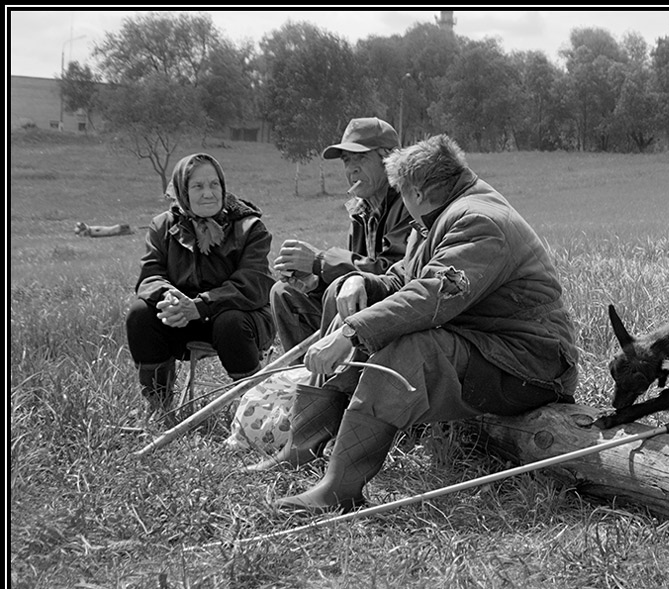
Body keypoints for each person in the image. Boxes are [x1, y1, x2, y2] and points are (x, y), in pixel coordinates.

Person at [271, 134, 579, 515]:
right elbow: (404, 280)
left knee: (410, 349)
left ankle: (340, 488)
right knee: (350, 301)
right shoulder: (441, 217)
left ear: (416, 193)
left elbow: (431, 295)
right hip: (489, 347)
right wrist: (360, 282)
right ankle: (302, 448)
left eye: (401, 193)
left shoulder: (480, 221)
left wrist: (351, 333)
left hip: (530, 365)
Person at [126, 152, 276, 420]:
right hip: (184, 318)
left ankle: (255, 408)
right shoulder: (163, 226)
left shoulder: (250, 228)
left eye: (214, 184)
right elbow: (150, 276)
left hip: (241, 317)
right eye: (197, 186)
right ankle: (159, 406)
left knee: (230, 321)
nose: (208, 193)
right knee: (140, 314)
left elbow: (252, 284)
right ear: (183, 191)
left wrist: (201, 305)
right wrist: (170, 297)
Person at [270, 117, 416, 351]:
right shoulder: (360, 209)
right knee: (284, 293)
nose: (351, 169)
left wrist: (320, 261)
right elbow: (356, 272)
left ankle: (332, 381)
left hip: (397, 315)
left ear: (389, 160)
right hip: (365, 305)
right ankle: (308, 378)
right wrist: (314, 280)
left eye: (361, 158)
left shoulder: (410, 203)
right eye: (347, 161)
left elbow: (394, 275)